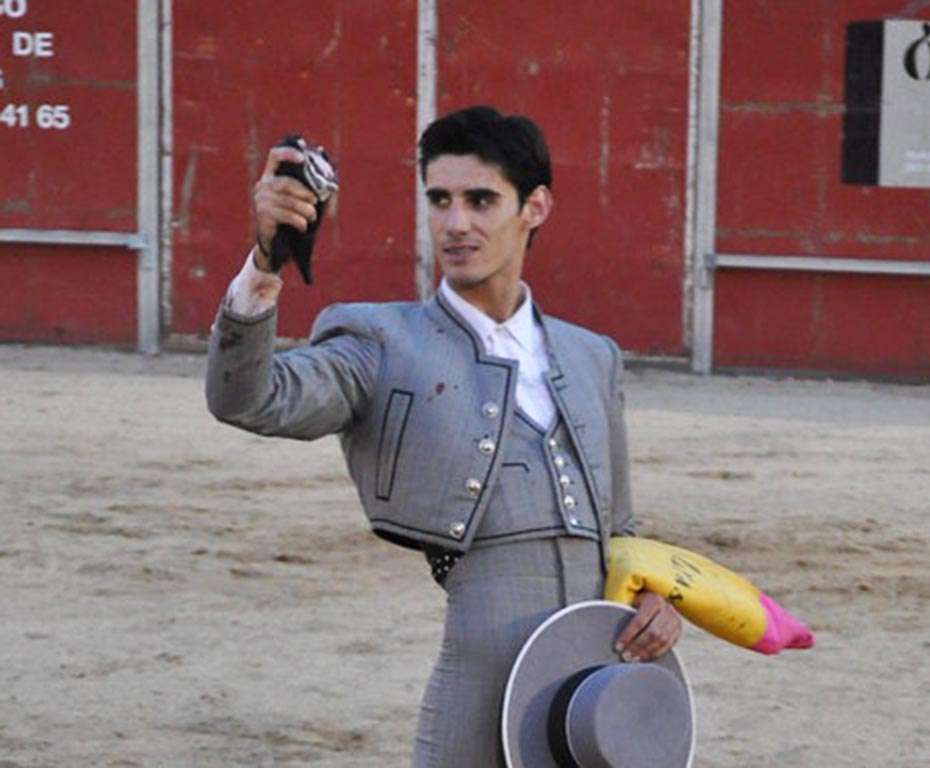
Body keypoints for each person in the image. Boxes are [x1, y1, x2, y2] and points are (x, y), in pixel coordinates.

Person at [206, 105, 682, 767]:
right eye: (440, 200)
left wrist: (656, 602)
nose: (456, 224)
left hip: (600, 678)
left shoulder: (591, 355)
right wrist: (266, 263)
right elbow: (252, 399)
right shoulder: (379, 340)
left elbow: (621, 526)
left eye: (481, 200)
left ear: (535, 207)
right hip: (482, 670)